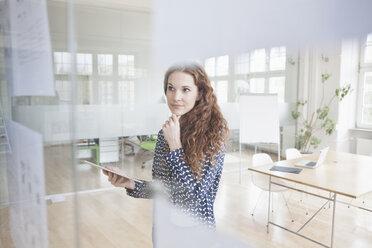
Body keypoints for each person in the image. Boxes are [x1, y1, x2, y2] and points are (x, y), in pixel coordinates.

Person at [103, 62, 229, 231]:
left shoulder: (214, 134)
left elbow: (194, 197)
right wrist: (130, 183)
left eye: (185, 89)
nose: (176, 97)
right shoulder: (166, 133)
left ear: (199, 93)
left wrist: (175, 146)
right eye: (171, 88)